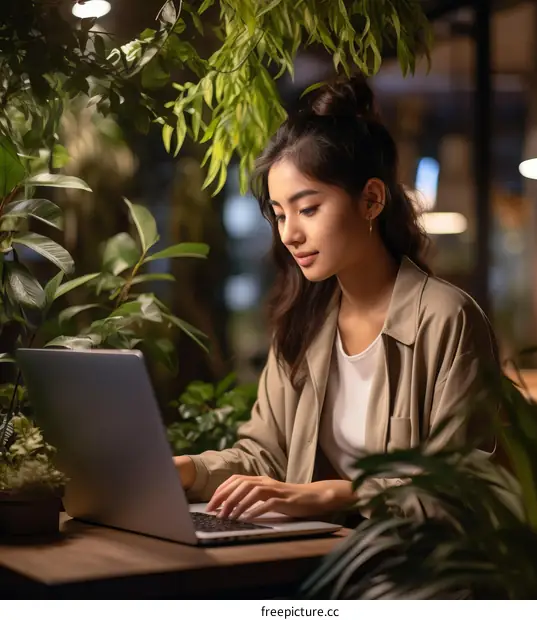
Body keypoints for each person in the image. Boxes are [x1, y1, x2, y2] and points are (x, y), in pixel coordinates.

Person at [174, 75, 499, 523]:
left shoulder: (446, 319)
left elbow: (457, 488)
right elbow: (266, 455)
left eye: (308, 209)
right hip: (327, 557)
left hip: (416, 574)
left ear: (370, 200)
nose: (289, 233)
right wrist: (188, 471)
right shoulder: (304, 319)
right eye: (280, 213)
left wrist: (336, 495)